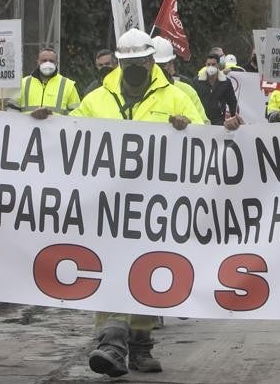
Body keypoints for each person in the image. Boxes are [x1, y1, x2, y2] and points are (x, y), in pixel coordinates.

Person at [63, 28, 206, 377]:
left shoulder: (176, 97)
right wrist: (44, 124)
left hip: (157, 206)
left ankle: (141, 346)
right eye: (128, 62)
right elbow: (67, 138)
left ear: (151, 60)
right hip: (108, 206)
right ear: (119, 62)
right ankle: (111, 342)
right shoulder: (96, 99)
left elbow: (206, 137)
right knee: (110, 268)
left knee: (146, 272)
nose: (135, 66)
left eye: (141, 60)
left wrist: (189, 128)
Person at [9, 46, 81, 114]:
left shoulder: (68, 85)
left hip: (56, 127)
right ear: (38, 62)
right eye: (44, 60)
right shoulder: (23, 83)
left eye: (51, 61)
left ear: (57, 63)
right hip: (27, 127)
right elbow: (11, 112)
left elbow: (76, 115)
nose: (48, 63)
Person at [150, 36, 201, 108]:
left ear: (171, 63)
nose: (157, 69)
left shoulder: (187, 91)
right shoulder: (135, 92)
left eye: (161, 65)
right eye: (154, 65)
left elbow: (202, 119)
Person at [195, 51, 238, 125]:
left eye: (213, 64)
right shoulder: (197, 81)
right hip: (201, 119)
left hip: (218, 119)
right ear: (205, 65)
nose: (210, 67)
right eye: (208, 64)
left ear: (218, 65)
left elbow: (232, 102)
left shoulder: (225, 82)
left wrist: (233, 117)